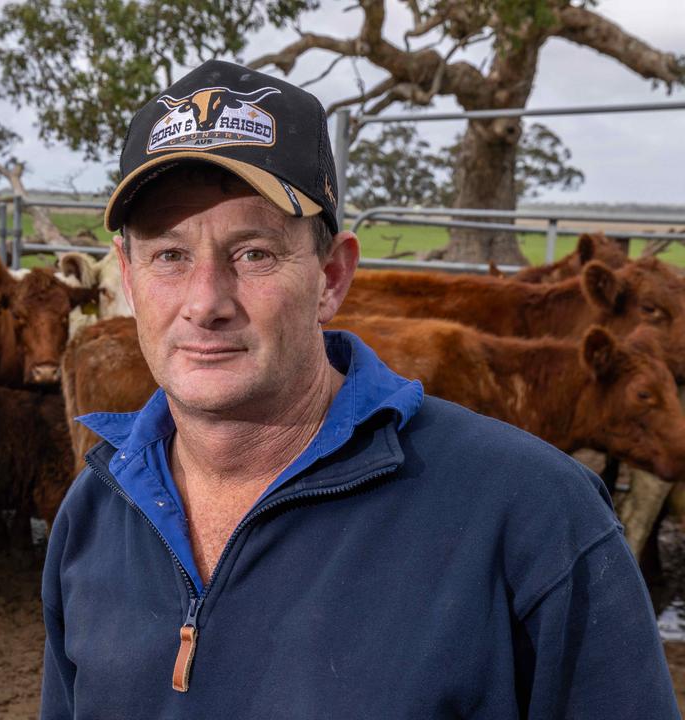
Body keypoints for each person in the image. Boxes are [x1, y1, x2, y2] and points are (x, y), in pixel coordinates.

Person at [39, 59, 677, 718]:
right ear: (128, 276)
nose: (205, 303)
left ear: (332, 278)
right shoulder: (97, 512)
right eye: (169, 256)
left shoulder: (533, 515)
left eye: (254, 253)